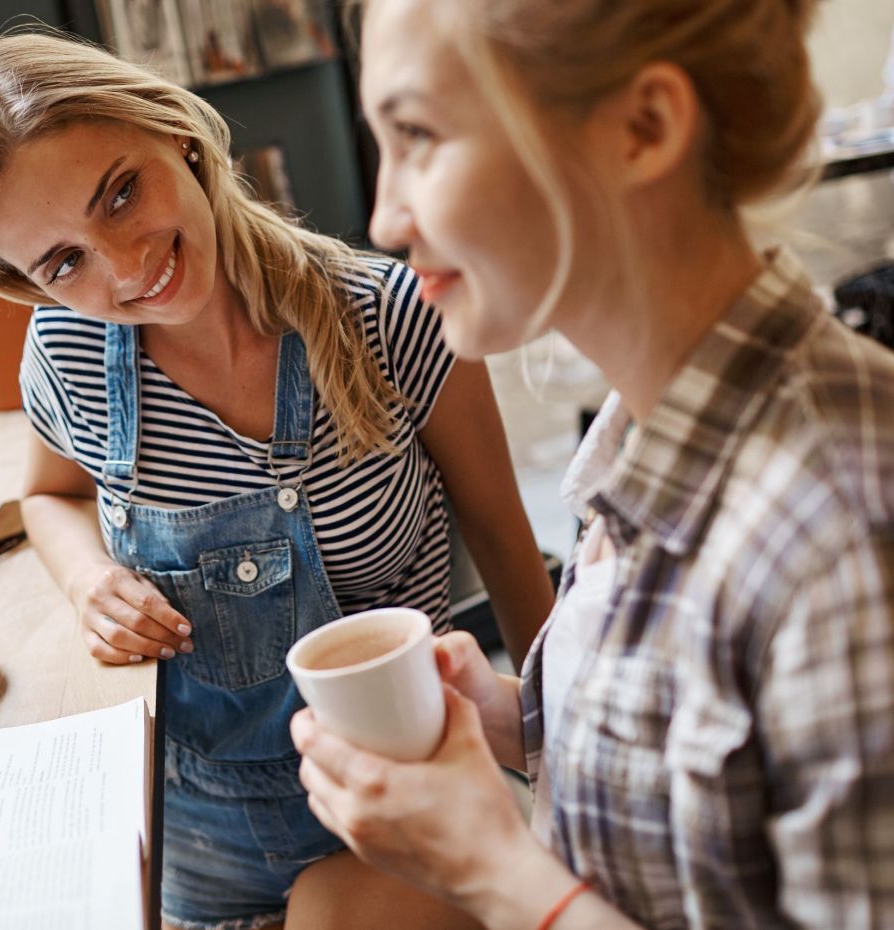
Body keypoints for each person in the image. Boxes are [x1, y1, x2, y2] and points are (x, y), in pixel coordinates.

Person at [0, 32, 555, 930]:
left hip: (409, 807)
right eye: (64, 263)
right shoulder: (67, 357)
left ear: (176, 133)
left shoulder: (394, 316)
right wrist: (88, 579)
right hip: (199, 847)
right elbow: (49, 496)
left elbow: (504, 538)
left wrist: (567, 777)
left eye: (122, 192)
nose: (127, 265)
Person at [293, 0, 894, 927]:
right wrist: (513, 719)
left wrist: (493, 869)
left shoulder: (844, 537)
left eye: (418, 134)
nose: (383, 218)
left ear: (642, 128)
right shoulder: (648, 431)